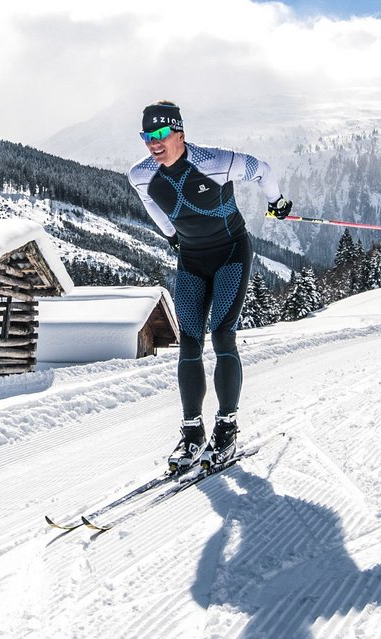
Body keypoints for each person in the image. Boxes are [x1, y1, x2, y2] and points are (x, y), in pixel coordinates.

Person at [126, 100, 293, 470]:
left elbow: (262, 170)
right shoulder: (140, 174)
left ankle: (227, 427)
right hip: (191, 259)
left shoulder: (215, 162)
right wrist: (172, 235)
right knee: (188, 342)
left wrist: (276, 202)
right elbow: (150, 203)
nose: (153, 142)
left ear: (179, 133)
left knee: (221, 337)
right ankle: (192, 433)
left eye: (160, 133)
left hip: (231, 251)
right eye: (146, 135)